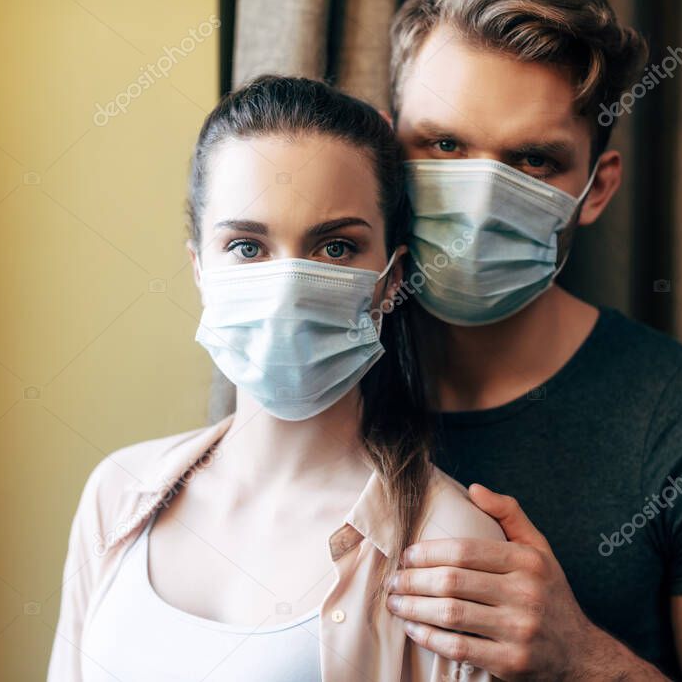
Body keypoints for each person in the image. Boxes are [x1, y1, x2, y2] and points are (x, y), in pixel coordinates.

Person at [379, 0, 682, 680]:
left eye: (533, 159)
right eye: (443, 145)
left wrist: (578, 656)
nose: (479, 199)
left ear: (596, 188)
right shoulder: (316, 383)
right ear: (387, 150)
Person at [47, 75, 505, 681]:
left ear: (392, 279)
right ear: (199, 269)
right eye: (246, 247)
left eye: (335, 248)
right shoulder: (116, 495)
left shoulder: (451, 550)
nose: (288, 286)